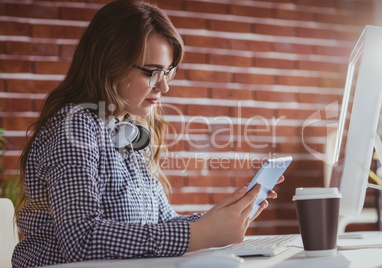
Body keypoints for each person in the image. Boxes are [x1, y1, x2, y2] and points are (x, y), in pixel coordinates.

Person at [12, 0, 283, 267]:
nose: (164, 87)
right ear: (110, 64)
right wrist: (197, 234)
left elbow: (160, 225)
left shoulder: (128, 131)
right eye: (152, 72)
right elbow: (82, 240)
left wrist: (220, 218)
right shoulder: (74, 127)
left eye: (168, 72)